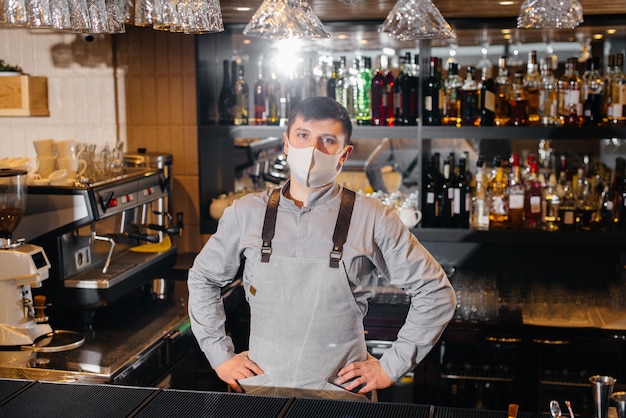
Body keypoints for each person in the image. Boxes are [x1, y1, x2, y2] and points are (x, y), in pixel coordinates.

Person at [188, 96, 456, 401]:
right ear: (286, 143)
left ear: (343, 155)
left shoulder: (375, 218)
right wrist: (219, 356)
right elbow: (203, 279)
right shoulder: (245, 212)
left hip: (342, 398)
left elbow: (436, 294)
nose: (313, 151)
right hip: (260, 393)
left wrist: (390, 367)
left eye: (327, 140)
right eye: (303, 136)